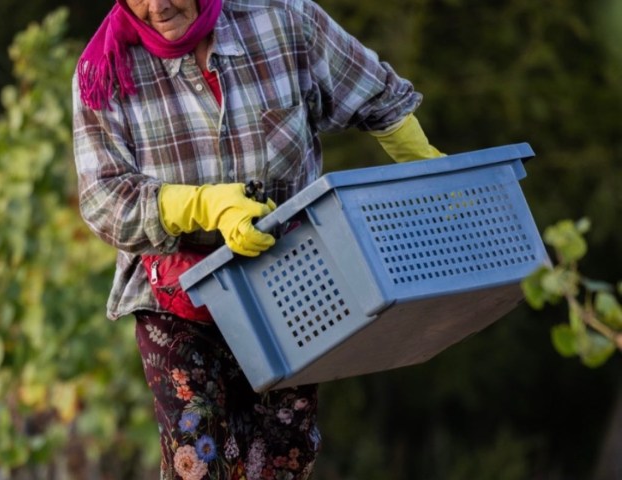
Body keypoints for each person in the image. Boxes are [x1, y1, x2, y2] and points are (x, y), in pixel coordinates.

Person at [72, 0, 443, 478]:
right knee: (200, 460)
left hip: (289, 287)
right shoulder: (103, 71)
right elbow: (103, 201)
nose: (158, 6)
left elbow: (376, 95)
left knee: (284, 457)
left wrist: (429, 168)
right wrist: (203, 205)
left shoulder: (283, 20)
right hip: (179, 299)